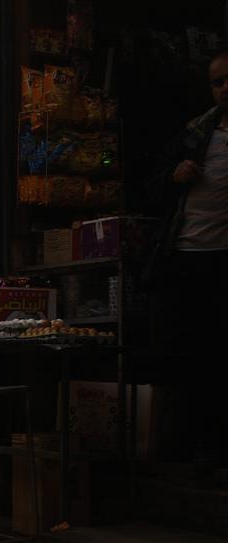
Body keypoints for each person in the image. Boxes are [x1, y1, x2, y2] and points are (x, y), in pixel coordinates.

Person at [148, 50, 228, 464]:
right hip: (187, 259)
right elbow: (156, 185)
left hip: (222, 262)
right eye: (217, 82)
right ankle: (190, 454)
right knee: (187, 357)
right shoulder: (196, 133)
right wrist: (175, 175)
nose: (224, 87)